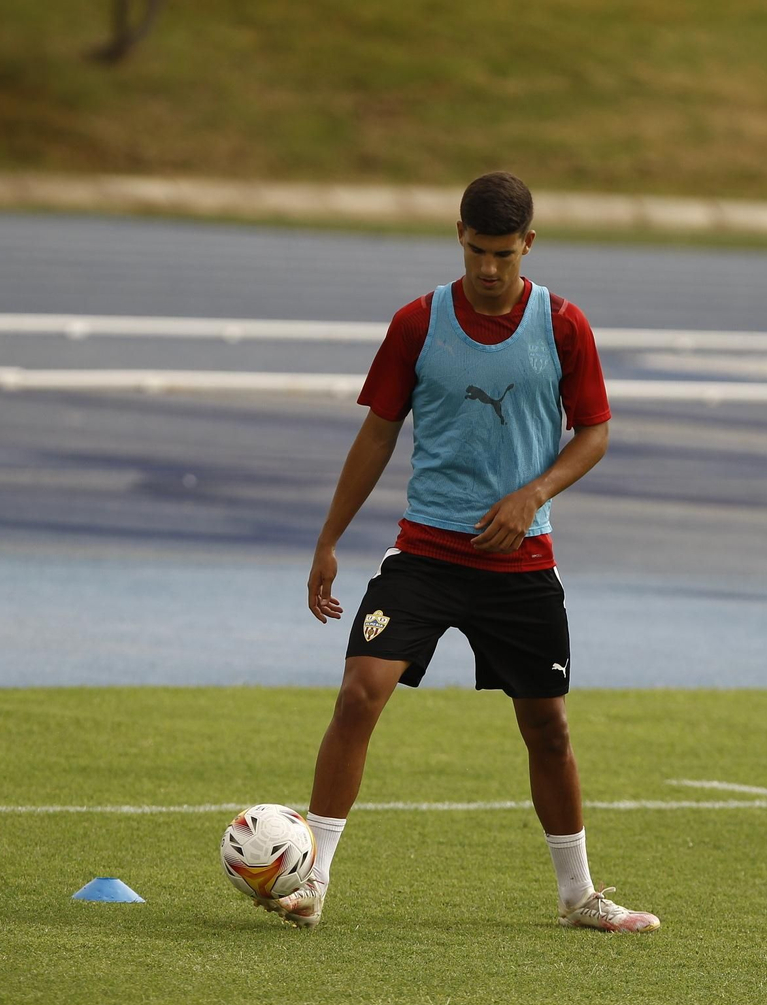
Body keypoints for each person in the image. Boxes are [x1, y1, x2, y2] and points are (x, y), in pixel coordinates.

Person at [263, 172, 657, 932]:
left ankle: (579, 897)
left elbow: (596, 432)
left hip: (522, 566)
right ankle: (312, 883)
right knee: (359, 692)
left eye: (503, 254)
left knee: (549, 729)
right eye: (477, 250)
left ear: (528, 245)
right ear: (459, 237)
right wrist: (328, 538)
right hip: (426, 556)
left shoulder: (563, 325)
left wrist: (533, 494)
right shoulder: (418, 323)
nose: (488, 268)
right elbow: (377, 433)